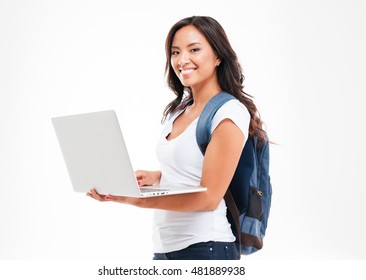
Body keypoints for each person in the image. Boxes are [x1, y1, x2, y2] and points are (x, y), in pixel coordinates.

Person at [87, 16, 265, 260]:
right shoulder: (178, 112)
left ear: (218, 56)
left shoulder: (229, 112)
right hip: (165, 248)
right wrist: (157, 177)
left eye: (194, 49)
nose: (182, 60)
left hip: (206, 248)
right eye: (175, 52)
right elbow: (194, 171)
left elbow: (209, 197)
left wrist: (134, 199)